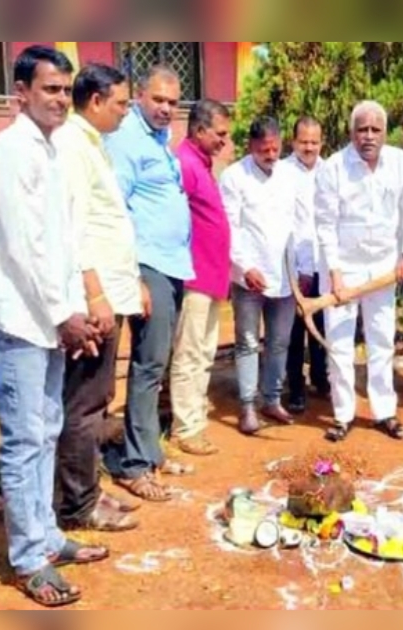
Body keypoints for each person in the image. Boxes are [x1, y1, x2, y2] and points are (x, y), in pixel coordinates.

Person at [0, 45, 107, 608]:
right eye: (49, 89)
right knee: (26, 440)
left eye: (64, 89)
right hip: (18, 322)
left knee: (47, 429)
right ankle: (29, 558)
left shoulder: (52, 151)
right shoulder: (10, 151)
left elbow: (62, 244)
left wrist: (75, 307)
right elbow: (25, 247)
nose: (60, 99)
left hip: (48, 322)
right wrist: (62, 314)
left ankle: (47, 534)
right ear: (20, 93)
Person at [52, 63, 144, 533]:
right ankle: (76, 505)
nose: (127, 113)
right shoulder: (72, 145)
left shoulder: (91, 144)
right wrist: (95, 294)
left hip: (111, 291)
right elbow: (76, 228)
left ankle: (86, 488)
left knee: (98, 397)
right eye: (122, 103)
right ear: (95, 101)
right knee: (85, 402)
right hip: (95, 298)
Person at [100, 65, 193, 502]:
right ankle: (135, 466)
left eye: (173, 103)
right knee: (148, 364)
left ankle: (150, 452)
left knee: (158, 363)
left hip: (171, 264)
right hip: (147, 265)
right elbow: (115, 208)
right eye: (158, 100)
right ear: (139, 95)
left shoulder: (159, 140)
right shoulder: (124, 140)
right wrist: (133, 274)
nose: (166, 109)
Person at [314, 100, 403, 442]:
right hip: (342, 270)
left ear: (385, 132)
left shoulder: (402, 164)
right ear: (351, 133)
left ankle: (384, 412)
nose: (368, 136)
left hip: (383, 268)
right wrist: (334, 273)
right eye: (362, 129)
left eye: (375, 129)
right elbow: (325, 223)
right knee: (340, 342)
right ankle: (343, 415)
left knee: (381, 340)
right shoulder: (333, 167)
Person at [222, 116, 308, 434]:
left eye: (275, 149)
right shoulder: (234, 177)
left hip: (285, 274)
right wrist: (245, 267)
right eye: (263, 150)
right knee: (246, 341)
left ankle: (272, 399)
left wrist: (300, 268)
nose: (270, 156)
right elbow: (229, 228)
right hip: (248, 276)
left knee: (279, 342)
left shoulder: (289, 174)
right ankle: (247, 406)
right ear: (251, 147)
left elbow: (299, 223)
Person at [168, 98, 232, 457]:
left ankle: (193, 413)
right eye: (220, 133)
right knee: (190, 353)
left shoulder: (202, 164)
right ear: (199, 129)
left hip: (210, 277)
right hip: (194, 279)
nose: (224, 140)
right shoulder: (185, 165)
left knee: (204, 352)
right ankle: (186, 427)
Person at [283, 116, 330, 413]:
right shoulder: (283, 173)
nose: (309, 147)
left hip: (323, 263)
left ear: (321, 142)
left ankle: (321, 379)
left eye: (314, 142)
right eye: (304, 142)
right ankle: (296, 387)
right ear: (294, 142)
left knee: (323, 323)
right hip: (292, 264)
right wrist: (298, 268)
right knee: (293, 330)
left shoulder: (331, 170)